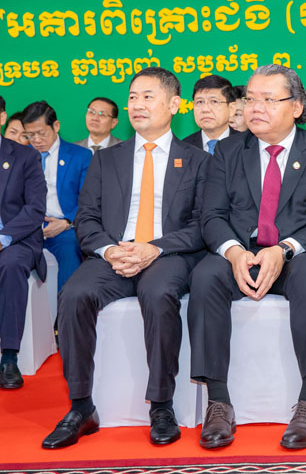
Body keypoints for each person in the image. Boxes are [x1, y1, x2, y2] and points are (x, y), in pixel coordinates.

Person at [42, 67, 210, 448]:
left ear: (174, 104)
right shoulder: (107, 159)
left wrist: (155, 248)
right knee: (74, 294)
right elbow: (86, 218)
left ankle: (161, 405)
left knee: (159, 293)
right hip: (114, 253)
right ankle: (81, 406)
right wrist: (111, 249)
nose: (137, 105)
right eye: (133, 97)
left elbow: (203, 224)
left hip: (167, 253)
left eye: (148, 96)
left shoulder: (197, 160)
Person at [187, 64, 306, 451]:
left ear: (297, 107)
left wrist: (285, 248)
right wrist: (234, 251)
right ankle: (218, 402)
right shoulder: (227, 151)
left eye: (268, 99)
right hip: (241, 253)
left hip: (297, 254)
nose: (255, 107)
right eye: (251, 99)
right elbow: (212, 216)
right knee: (205, 276)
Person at [0, 102, 47, 390]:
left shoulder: (25, 156)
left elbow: (35, 209)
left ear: (2, 117)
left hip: (15, 238)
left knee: (11, 264)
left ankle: (9, 356)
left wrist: (3, 237)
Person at [22, 101, 91, 291]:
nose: (36, 140)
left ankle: (65, 307)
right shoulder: (21, 156)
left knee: (71, 249)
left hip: (64, 228)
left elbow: (88, 200)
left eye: (41, 133)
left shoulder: (80, 156)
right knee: (11, 258)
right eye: (30, 135)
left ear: (56, 126)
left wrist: (67, 222)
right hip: (27, 228)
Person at [183, 75, 239, 154]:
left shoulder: (246, 146)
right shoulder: (183, 148)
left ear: (231, 109)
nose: (205, 109)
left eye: (214, 101)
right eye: (200, 102)